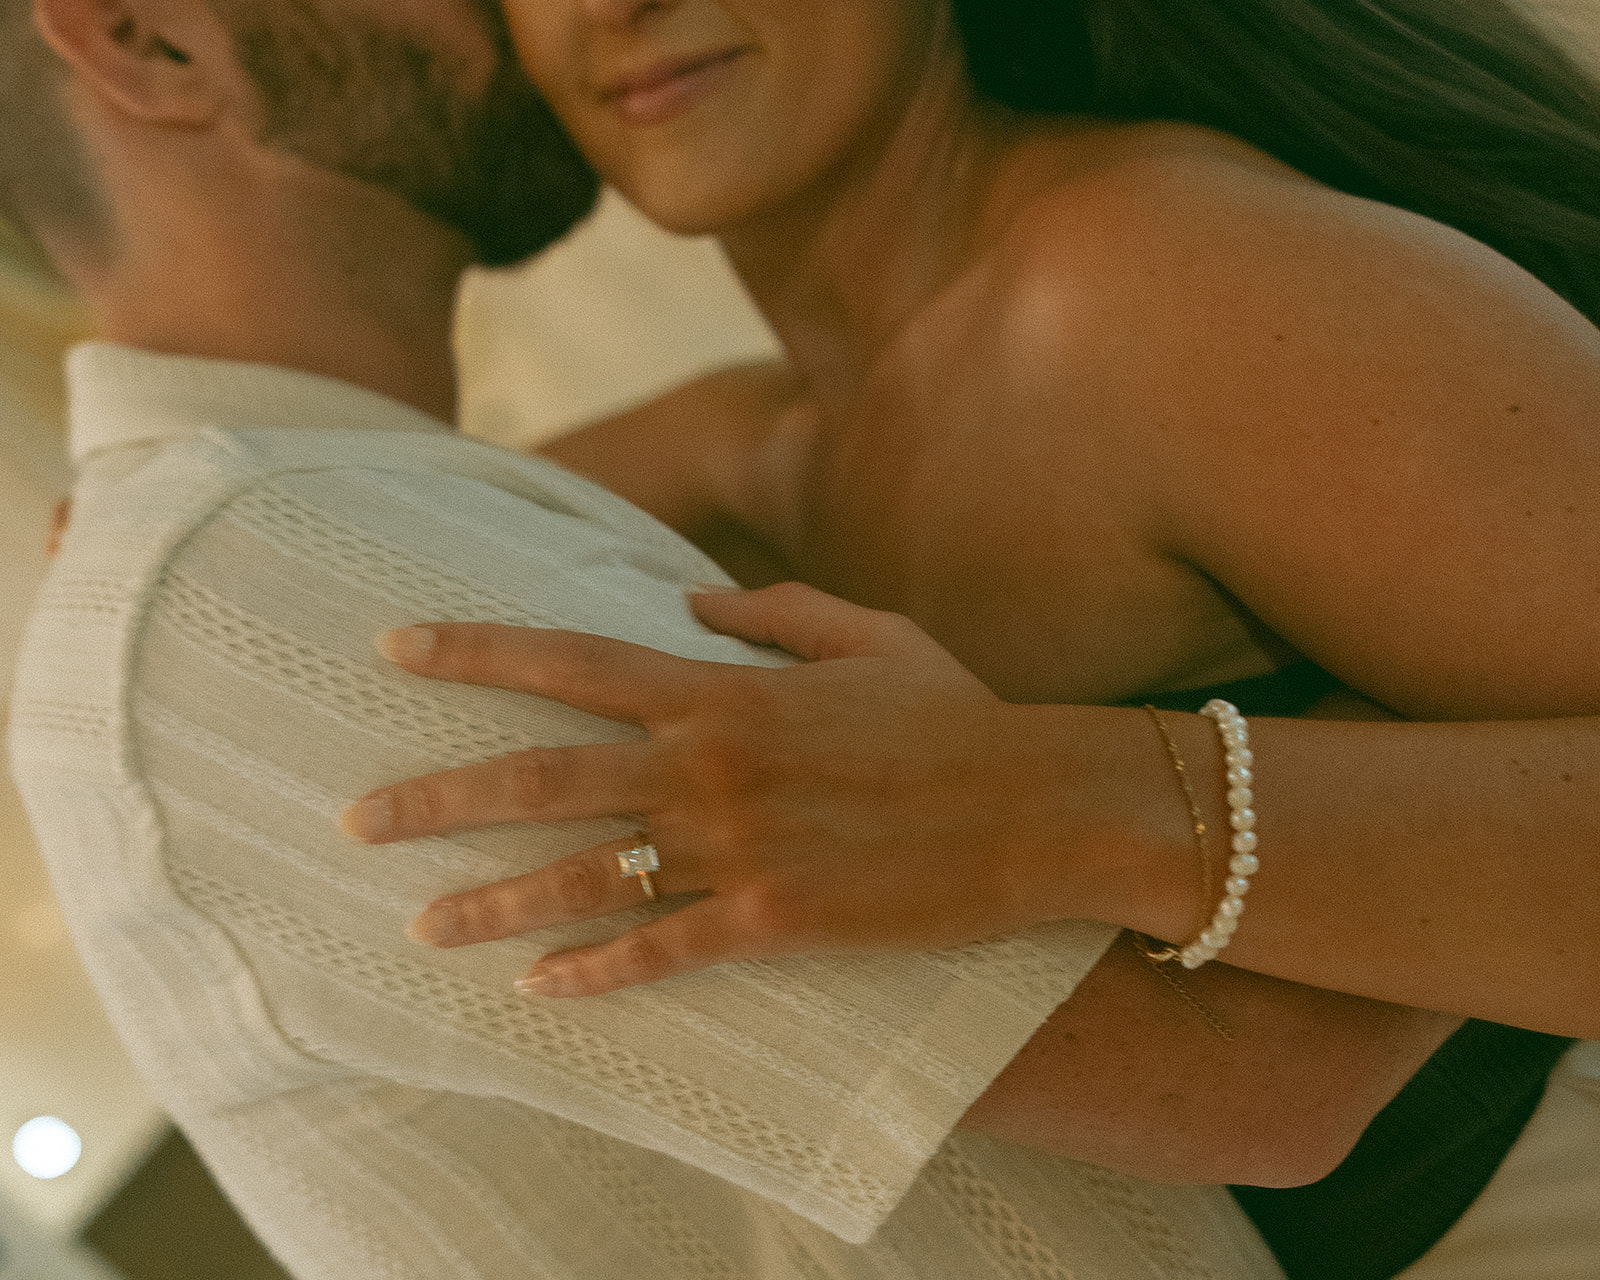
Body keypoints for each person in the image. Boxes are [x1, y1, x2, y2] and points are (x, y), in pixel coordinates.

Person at [1, 1, 1303, 1277]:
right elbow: (1240, 1070)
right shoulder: (261, 583)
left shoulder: (294, 528)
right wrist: (1402, 630)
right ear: (150, 44)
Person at [341, 1, 1600, 1276]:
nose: (615, 7)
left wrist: (1033, 801)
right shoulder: (737, 457)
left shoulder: (1144, 287)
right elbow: (305, 553)